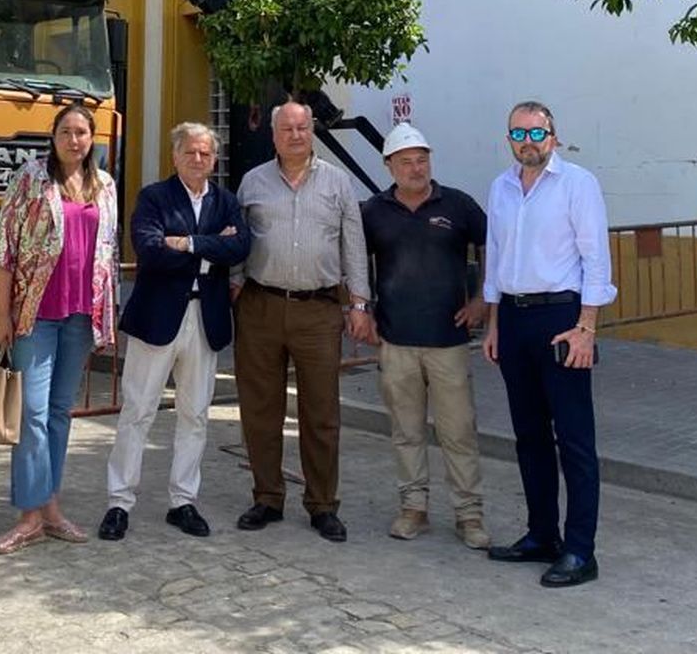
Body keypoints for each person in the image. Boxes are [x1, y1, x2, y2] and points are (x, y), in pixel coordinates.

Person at [482, 100, 616, 588]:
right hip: (514, 320)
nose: (528, 143)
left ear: (553, 136)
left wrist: (587, 327)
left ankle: (581, 550)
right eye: (518, 134)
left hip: (562, 317)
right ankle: (542, 535)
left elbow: (595, 258)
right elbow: (495, 259)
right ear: (509, 139)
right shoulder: (501, 188)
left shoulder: (577, 184)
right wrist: (494, 324)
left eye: (537, 134)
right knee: (529, 437)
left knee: (575, 440)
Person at [99, 121, 250, 542]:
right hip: (157, 318)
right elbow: (149, 250)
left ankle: (183, 501)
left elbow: (240, 247)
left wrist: (185, 243)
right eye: (190, 152)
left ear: (214, 159)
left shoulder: (226, 201)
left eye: (205, 153)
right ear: (175, 155)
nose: (198, 159)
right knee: (137, 411)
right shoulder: (154, 197)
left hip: (206, 320)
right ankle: (119, 502)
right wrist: (208, 244)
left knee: (195, 414)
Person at [233, 101, 370, 543]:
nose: (296, 135)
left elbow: (354, 244)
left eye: (303, 127)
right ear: (273, 135)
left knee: (322, 412)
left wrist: (359, 304)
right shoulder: (253, 182)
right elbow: (235, 236)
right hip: (261, 306)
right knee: (260, 408)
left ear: (312, 131)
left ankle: (323, 505)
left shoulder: (337, 183)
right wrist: (235, 283)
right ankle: (267, 497)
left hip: (318, 310)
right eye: (287, 128)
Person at [0, 102, 118, 555]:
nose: (74, 140)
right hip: (35, 313)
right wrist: (2, 315)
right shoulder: (30, 178)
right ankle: (29, 515)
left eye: (82, 132)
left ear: (92, 138)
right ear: (54, 135)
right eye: (66, 131)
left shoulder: (105, 186)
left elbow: (108, 254)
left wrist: (108, 316)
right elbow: (4, 246)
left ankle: (51, 508)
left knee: (60, 412)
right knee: (32, 415)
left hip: (82, 316)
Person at [359, 123, 490, 549]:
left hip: (448, 342)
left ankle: (469, 515)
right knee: (406, 430)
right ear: (389, 166)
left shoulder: (457, 205)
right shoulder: (373, 211)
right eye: (406, 161)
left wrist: (482, 299)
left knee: (458, 432)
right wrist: (360, 308)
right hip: (396, 341)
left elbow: (494, 245)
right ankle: (413, 507)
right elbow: (356, 261)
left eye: (422, 159)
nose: (416, 168)